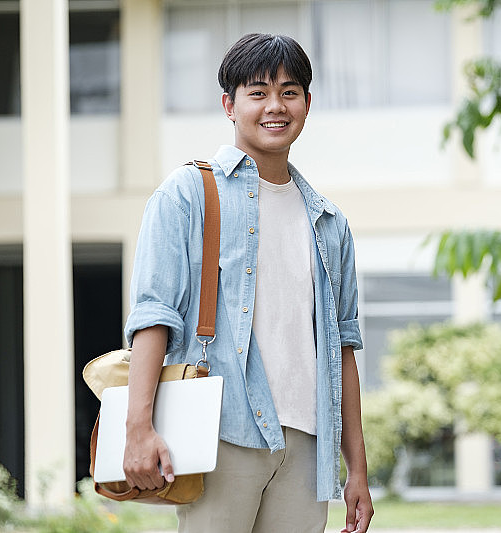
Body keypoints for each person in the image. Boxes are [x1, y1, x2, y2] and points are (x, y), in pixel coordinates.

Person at [121, 33, 374, 533]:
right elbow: (154, 315)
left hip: (306, 446)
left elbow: (342, 348)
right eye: (257, 92)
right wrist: (138, 427)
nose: (274, 106)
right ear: (229, 104)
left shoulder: (329, 223)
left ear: (307, 103)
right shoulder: (189, 194)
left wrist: (357, 470)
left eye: (289, 91)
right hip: (219, 432)